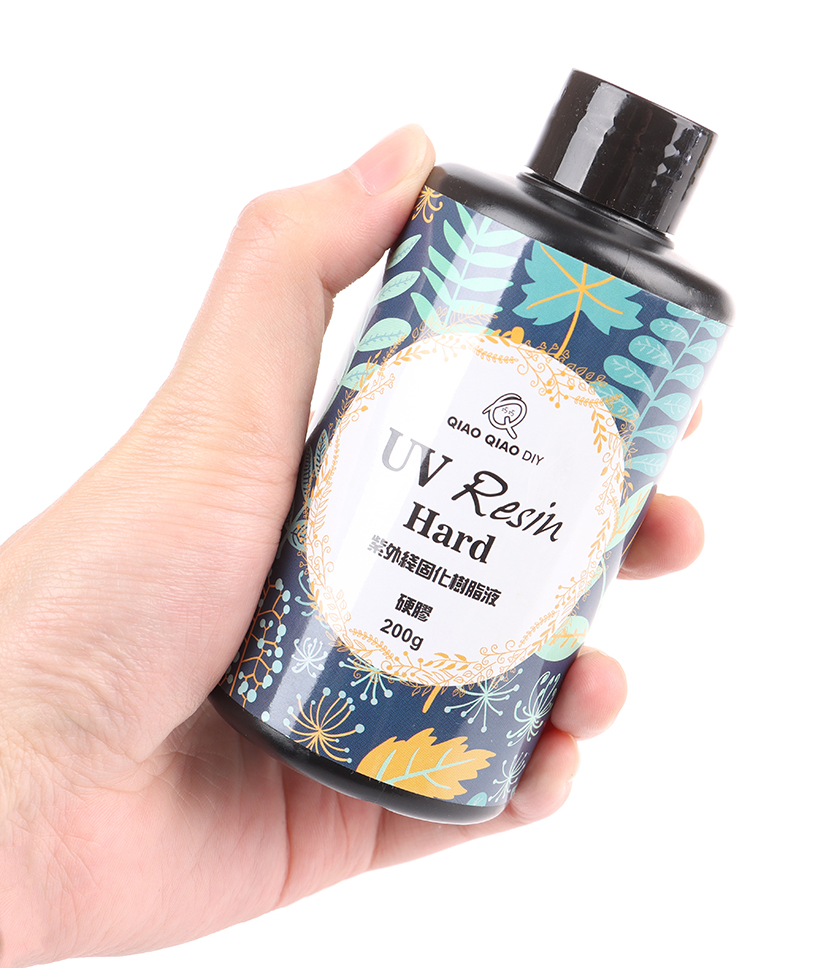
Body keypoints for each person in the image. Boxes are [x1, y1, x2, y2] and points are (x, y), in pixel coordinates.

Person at [0, 125, 705, 963]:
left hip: (416, 740)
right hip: (273, 684)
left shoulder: (670, 303)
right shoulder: (477, 217)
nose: (473, 499)